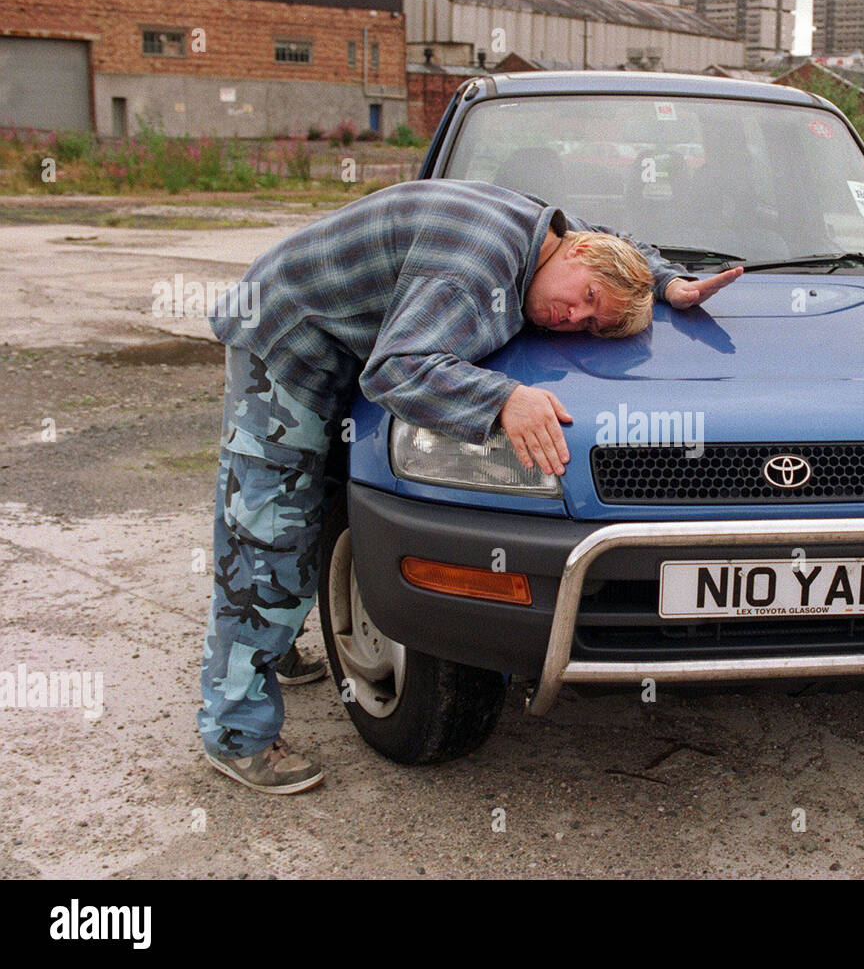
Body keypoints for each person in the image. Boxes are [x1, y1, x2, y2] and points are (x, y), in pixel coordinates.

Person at [198, 177, 744, 793]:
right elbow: (398, 368)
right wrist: (504, 397)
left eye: (592, 324)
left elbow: (621, 246)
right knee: (268, 530)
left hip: (331, 329)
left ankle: (273, 644)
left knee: (313, 504)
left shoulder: (554, 236)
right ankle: (236, 733)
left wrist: (669, 282)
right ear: (577, 256)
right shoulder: (473, 270)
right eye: (587, 298)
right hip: (289, 341)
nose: (574, 317)